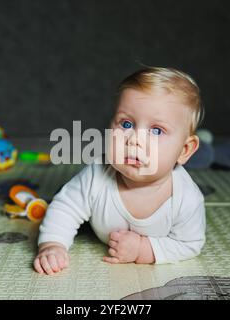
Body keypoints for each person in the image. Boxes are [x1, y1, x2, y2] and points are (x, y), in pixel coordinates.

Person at [33, 67, 206, 275]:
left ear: (184, 150)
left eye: (156, 130)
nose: (134, 140)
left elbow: (189, 244)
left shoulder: (186, 198)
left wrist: (143, 250)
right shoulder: (98, 174)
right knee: (66, 196)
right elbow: (65, 208)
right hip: (87, 206)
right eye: (126, 124)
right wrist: (52, 245)